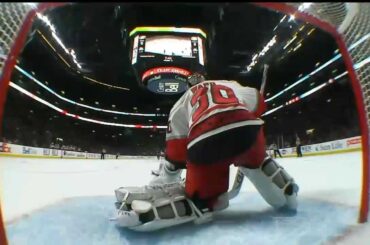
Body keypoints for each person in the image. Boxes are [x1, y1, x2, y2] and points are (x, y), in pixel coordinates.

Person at [114, 73, 299, 231]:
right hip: (247, 131)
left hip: (207, 140)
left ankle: (147, 215)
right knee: (256, 162)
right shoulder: (231, 84)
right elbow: (258, 103)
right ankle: (286, 190)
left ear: (188, 86)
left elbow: (177, 150)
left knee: (208, 202)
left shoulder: (181, 102)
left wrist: (172, 175)